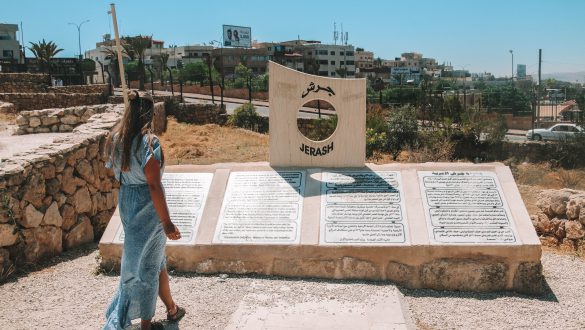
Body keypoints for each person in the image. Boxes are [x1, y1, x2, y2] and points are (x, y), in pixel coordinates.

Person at [103, 90, 186, 330]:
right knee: (148, 266)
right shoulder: (149, 141)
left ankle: (171, 308)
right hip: (146, 204)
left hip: (127, 199)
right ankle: (146, 326)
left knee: (153, 259)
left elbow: (115, 170)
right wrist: (167, 222)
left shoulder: (115, 138)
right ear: (148, 114)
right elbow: (153, 183)